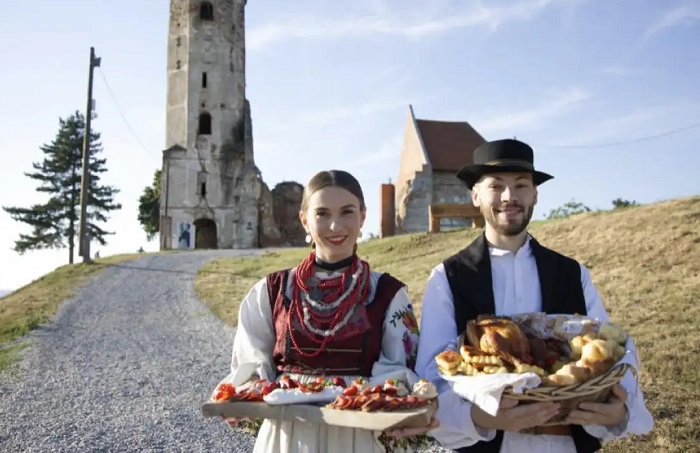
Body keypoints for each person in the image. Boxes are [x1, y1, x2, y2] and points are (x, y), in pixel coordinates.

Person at [415, 139, 654, 452]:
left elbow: (610, 355)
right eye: (496, 186)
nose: (509, 197)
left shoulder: (572, 273)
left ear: (535, 195)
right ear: (475, 195)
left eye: (521, 185)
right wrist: (481, 416)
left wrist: (619, 410)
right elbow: (432, 378)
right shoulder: (448, 278)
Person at [213, 170, 436, 453]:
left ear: (362, 217)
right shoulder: (272, 291)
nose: (335, 225)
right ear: (305, 219)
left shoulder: (387, 294)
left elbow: (402, 372)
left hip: (359, 434)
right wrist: (254, 392)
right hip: (287, 434)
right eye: (322, 214)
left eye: (347, 212)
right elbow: (251, 368)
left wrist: (380, 398)